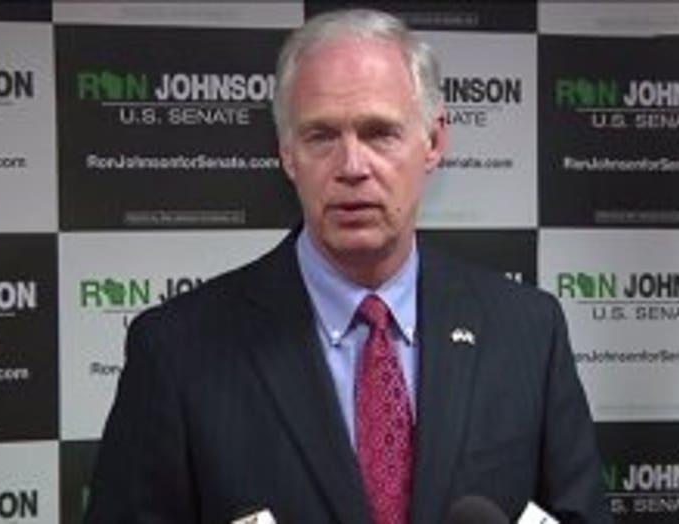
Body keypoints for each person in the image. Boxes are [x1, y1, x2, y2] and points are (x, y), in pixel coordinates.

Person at [85, 8, 610, 524]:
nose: (353, 167)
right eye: (321, 136)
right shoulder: (177, 351)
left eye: (380, 132)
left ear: (433, 141)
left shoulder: (527, 332)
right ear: (287, 153)